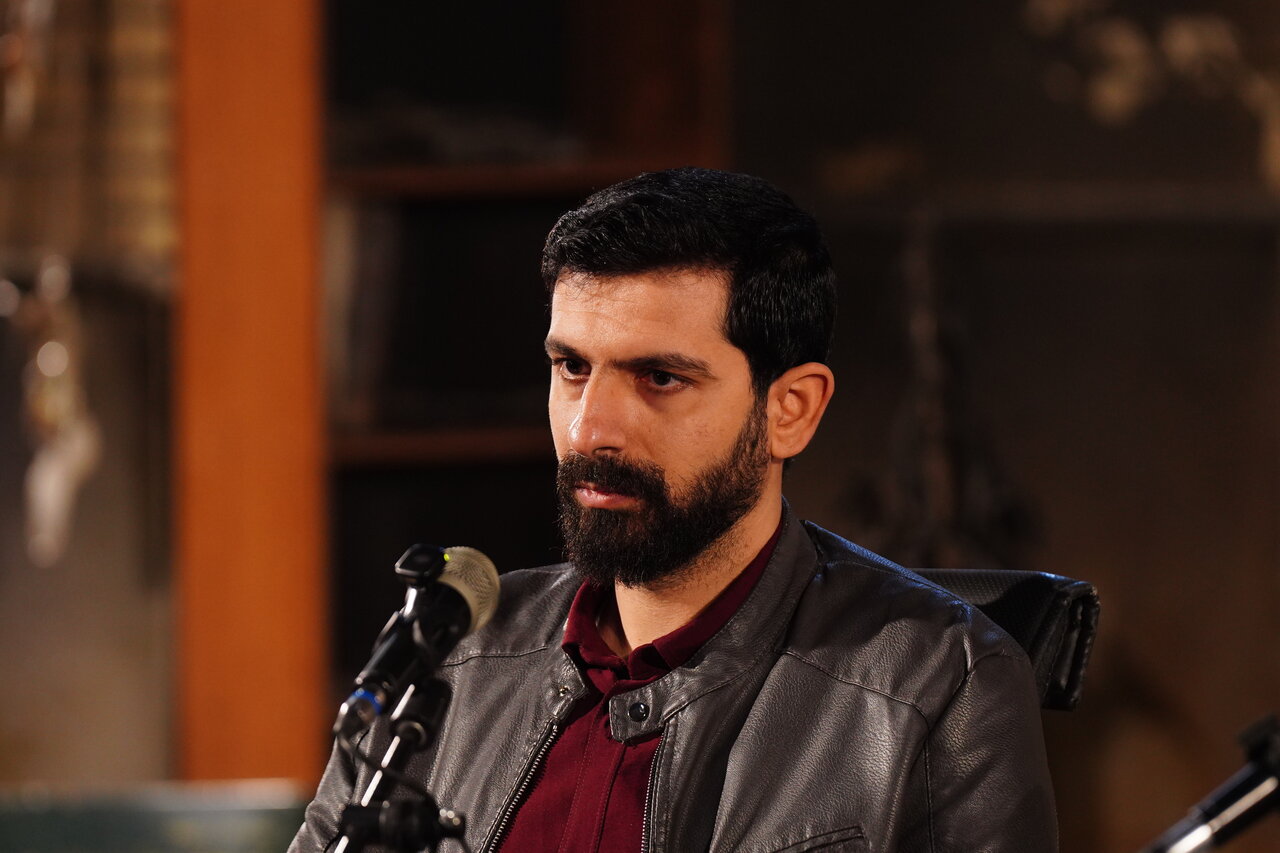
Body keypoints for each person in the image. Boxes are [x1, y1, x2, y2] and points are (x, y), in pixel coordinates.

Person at [291, 168, 1058, 852]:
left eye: (659, 377)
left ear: (790, 409)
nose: (590, 429)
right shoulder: (448, 653)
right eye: (572, 367)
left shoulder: (942, 685)